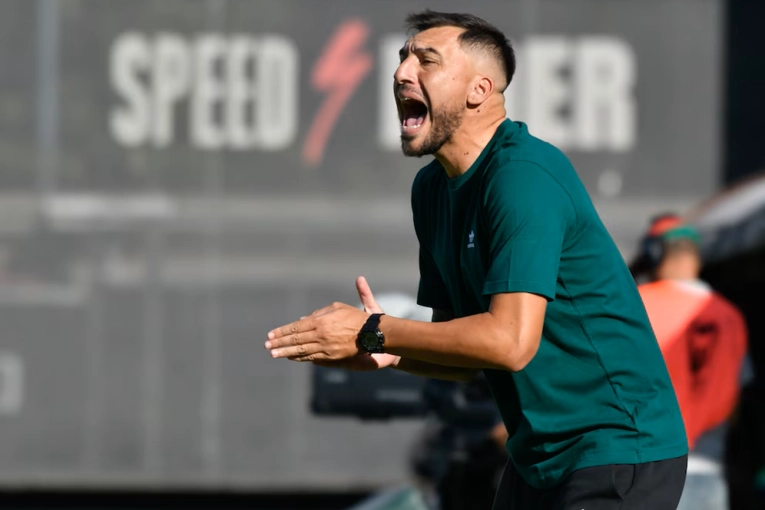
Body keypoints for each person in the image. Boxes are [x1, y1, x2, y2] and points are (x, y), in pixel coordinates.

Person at [265, 10, 688, 509]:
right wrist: (390, 352)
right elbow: (464, 354)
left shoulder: (524, 175)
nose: (401, 72)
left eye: (426, 60)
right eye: (402, 58)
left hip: (620, 448)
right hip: (537, 461)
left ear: (479, 90)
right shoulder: (431, 190)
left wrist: (373, 329)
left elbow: (508, 342)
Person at [631, 214, 750, 510]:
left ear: (654, 253)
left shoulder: (635, 305)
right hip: (708, 471)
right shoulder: (729, 315)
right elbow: (733, 403)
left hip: (649, 470)